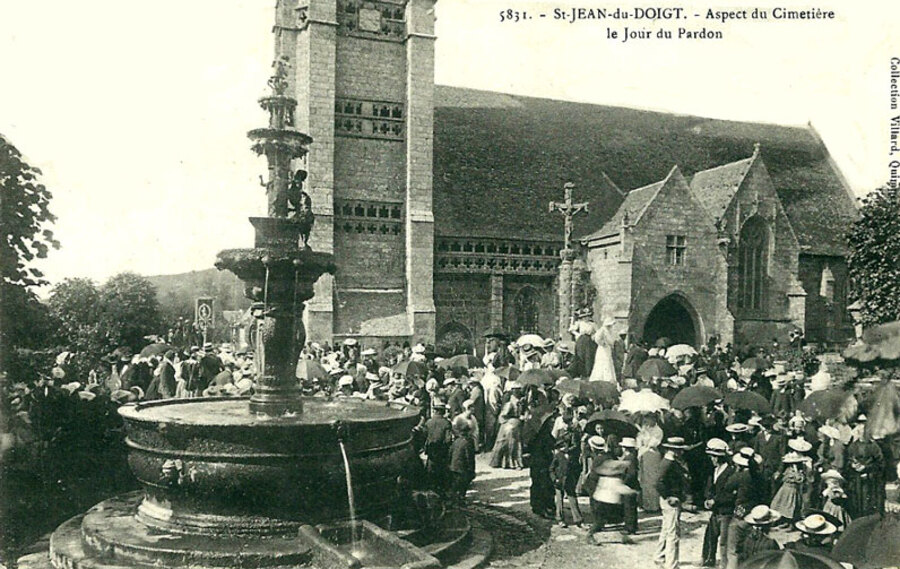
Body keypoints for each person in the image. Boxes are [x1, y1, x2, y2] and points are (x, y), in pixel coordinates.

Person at [654, 437, 690, 569]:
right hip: (671, 501)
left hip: (669, 500)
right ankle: (672, 565)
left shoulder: (668, 461)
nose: (681, 452)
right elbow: (658, 482)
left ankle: (659, 557)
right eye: (680, 450)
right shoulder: (669, 463)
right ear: (675, 450)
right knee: (673, 534)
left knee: (666, 529)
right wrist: (668, 496)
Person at [702, 438, 733, 569]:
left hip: (726, 511)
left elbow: (729, 493)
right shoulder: (714, 471)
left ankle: (724, 565)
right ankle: (708, 561)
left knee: (724, 542)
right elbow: (710, 487)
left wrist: (716, 500)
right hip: (715, 511)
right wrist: (707, 499)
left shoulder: (730, 471)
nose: (712, 460)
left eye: (715, 457)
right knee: (710, 536)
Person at [423, 401, 453, 496]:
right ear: (443, 412)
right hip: (442, 450)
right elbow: (448, 439)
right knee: (442, 470)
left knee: (430, 469)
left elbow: (424, 436)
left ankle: (431, 488)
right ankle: (441, 490)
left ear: (435, 411)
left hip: (431, 450)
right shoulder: (446, 423)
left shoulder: (428, 422)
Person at [490, 391, 524, 469]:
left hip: (517, 427)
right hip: (509, 427)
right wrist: (509, 422)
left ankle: (515, 462)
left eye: (518, 390)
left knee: (516, 445)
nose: (517, 393)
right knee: (509, 444)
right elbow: (502, 416)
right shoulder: (509, 404)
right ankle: (506, 462)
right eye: (516, 391)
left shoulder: (520, 403)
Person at [770, 452, 806, 521]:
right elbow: (785, 478)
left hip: (793, 490)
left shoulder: (800, 471)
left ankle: (791, 523)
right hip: (785, 489)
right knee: (780, 504)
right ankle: (782, 520)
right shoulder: (788, 470)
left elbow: (800, 479)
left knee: (792, 506)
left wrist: (796, 473)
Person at [449, 418, 476, 506]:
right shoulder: (468, 442)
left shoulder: (456, 441)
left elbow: (450, 453)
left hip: (454, 467)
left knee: (455, 486)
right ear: (468, 432)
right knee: (463, 486)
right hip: (463, 468)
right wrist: (471, 470)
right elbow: (470, 458)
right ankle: (460, 502)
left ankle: (454, 501)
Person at [620, 436, 640, 536]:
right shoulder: (632, 456)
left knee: (629, 507)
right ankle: (633, 526)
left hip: (629, 485)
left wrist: (624, 482)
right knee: (631, 506)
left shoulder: (630, 458)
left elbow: (631, 474)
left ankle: (630, 528)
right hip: (633, 485)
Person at [589, 317, 618, 384]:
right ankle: (601, 379)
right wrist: (602, 343)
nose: (610, 326)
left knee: (608, 362)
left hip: (608, 349)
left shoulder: (610, 331)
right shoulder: (602, 330)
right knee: (603, 362)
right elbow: (597, 338)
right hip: (602, 349)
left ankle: (609, 379)